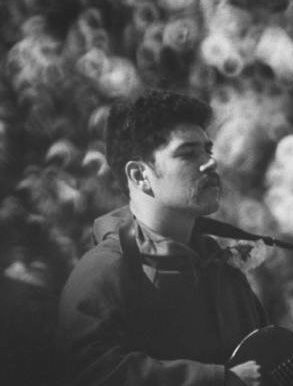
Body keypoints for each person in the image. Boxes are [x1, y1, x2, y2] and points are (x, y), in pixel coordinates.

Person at [56, 90, 266, 386]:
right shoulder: (102, 273)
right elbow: (92, 370)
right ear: (139, 176)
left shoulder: (223, 270)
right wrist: (217, 380)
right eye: (188, 153)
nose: (210, 163)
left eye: (208, 151)